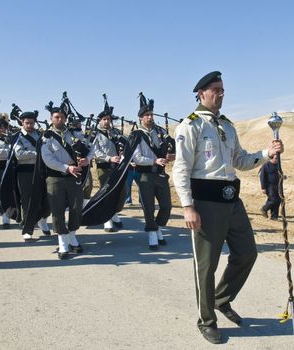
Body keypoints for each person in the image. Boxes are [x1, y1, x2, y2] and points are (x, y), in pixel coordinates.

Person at [172, 71, 284, 344]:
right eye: (215, 89)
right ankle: (206, 320)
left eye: (222, 89)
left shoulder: (228, 126)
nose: (221, 94)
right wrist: (188, 206)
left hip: (231, 200)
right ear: (201, 93)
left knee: (247, 253)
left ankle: (222, 299)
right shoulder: (191, 126)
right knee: (206, 266)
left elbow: (240, 161)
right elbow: (181, 169)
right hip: (205, 202)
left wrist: (266, 155)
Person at [41, 105, 91, 259]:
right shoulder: (46, 137)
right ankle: (63, 242)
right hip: (55, 178)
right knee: (57, 211)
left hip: (74, 178)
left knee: (76, 208)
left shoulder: (75, 134)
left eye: (62, 117)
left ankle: (72, 237)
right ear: (51, 119)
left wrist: (86, 159)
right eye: (56, 117)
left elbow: (90, 148)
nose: (60, 119)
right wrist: (66, 168)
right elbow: (47, 158)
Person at [131, 93, 174, 250]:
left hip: (161, 174)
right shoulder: (136, 135)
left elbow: (170, 146)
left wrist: (171, 156)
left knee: (166, 206)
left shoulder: (161, 131)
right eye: (147, 115)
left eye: (151, 115)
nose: (150, 117)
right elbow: (136, 157)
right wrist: (154, 160)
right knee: (148, 207)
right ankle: (152, 234)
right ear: (141, 118)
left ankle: (158, 228)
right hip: (145, 175)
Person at [14, 112, 51, 241]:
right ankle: (27, 228)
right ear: (22, 123)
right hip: (25, 172)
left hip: (41, 170)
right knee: (27, 201)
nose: (29, 125)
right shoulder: (17, 137)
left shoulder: (40, 136)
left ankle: (42, 220)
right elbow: (19, 154)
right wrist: (38, 153)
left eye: (31, 123)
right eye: (26, 123)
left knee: (46, 198)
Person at [93, 102, 126, 232]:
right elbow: (95, 151)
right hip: (104, 167)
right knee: (106, 193)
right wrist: (109, 158)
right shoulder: (95, 134)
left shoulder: (116, 132)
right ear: (100, 121)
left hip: (118, 167)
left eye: (109, 119)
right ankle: (107, 220)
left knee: (121, 193)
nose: (107, 122)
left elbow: (126, 144)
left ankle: (114, 213)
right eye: (104, 119)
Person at [259, 154, 281, 220]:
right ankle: (264, 209)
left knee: (278, 200)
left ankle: (274, 216)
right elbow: (262, 177)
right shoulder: (266, 165)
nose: (277, 160)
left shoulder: (278, 165)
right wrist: (263, 187)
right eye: (276, 158)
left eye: (278, 158)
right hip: (269, 186)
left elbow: (280, 174)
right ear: (271, 158)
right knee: (273, 199)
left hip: (277, 186)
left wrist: (283, 177)